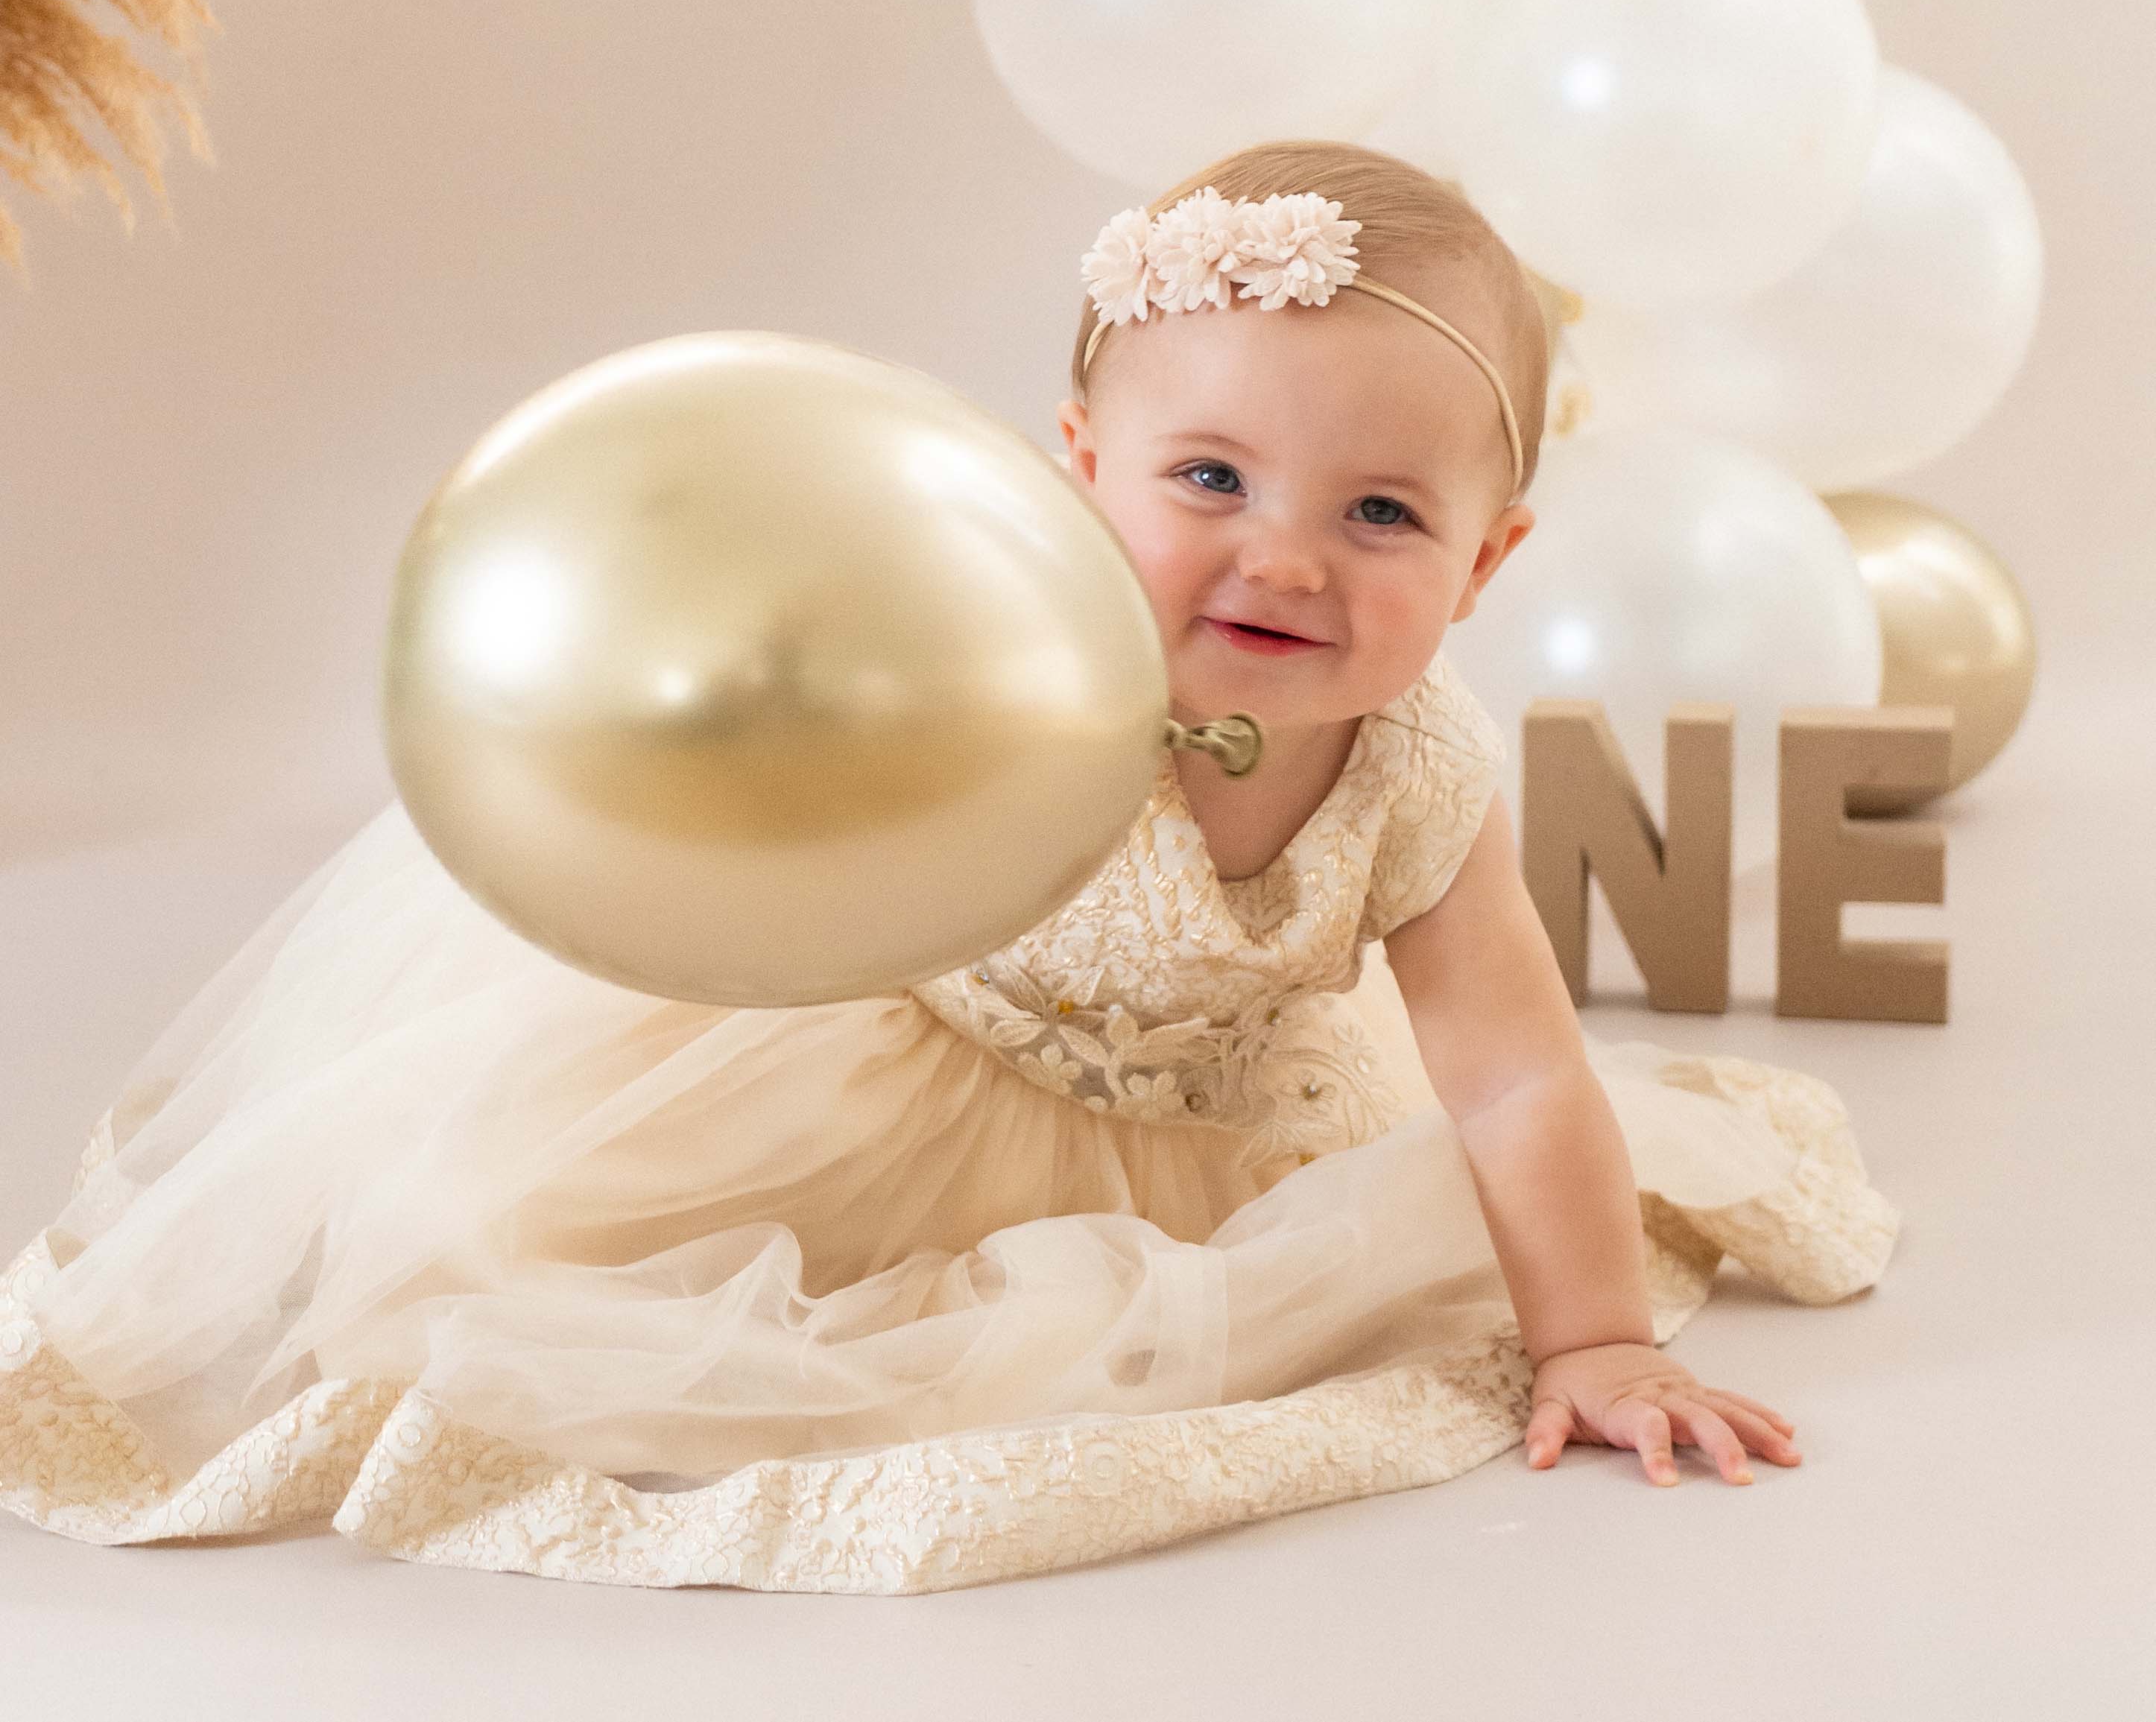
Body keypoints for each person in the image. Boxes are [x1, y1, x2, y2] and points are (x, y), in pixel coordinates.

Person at [0, 140, 1893, 1594]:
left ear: (1485, 567)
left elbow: (1508, 1067)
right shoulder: (1002, 651)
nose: (1285, 560)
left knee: (1173, 1324)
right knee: (554, 1274)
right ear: (1075, 470)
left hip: (1196, 1133)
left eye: (1381, 514)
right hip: (854, 1050)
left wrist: (1595, 1336)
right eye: (1208, 480)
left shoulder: (1416, 770)